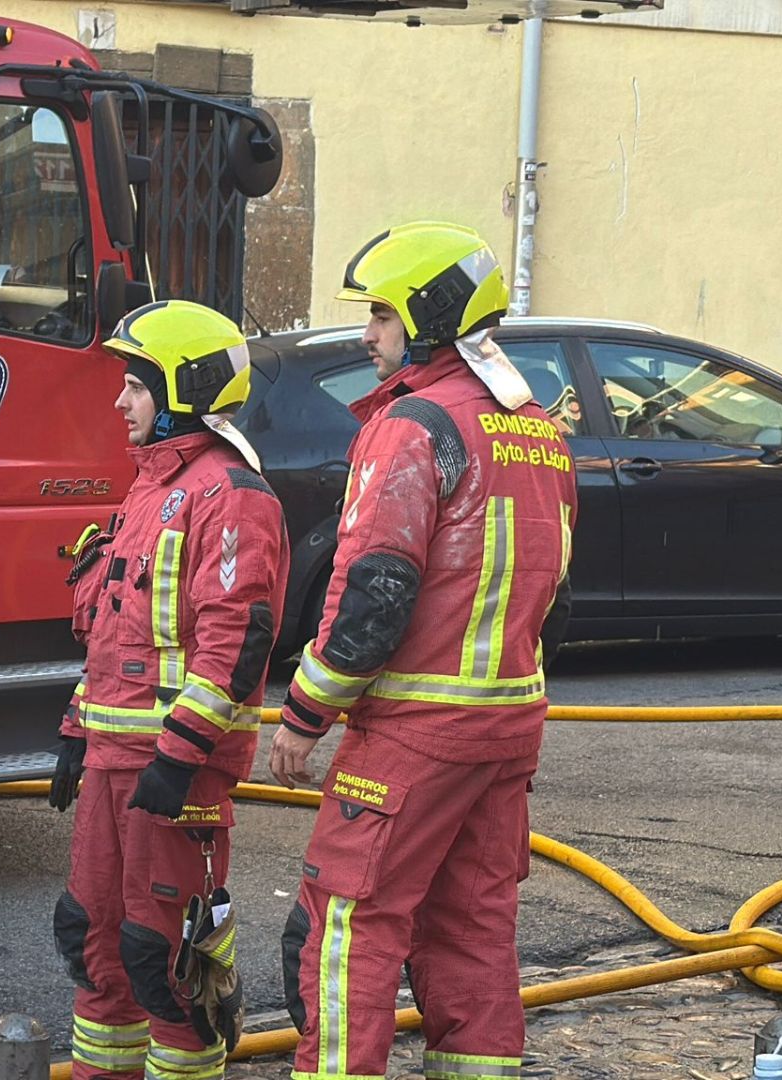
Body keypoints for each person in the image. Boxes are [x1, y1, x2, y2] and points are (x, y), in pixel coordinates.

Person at [271, 222, 577, 1080]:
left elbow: (376, 593)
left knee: (348, 926)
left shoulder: (414, 426)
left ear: (428, 316)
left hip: (414, 731)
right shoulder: (540, 432)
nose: (368, 334)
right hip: (507, 730)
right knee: (472, 930)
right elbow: (556, 596)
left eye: (379, 314)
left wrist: (304, 714)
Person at [49, 300, 289, 1080]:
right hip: (114, 766)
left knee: (168, 964)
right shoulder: (152, 489)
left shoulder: (230, 496)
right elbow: (114, 635)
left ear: (183, 389)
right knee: (94, 941)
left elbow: (234, 645)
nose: (120, 402)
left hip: (171, 777)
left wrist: (180, 759)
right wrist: (74, 737)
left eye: (135, 386)